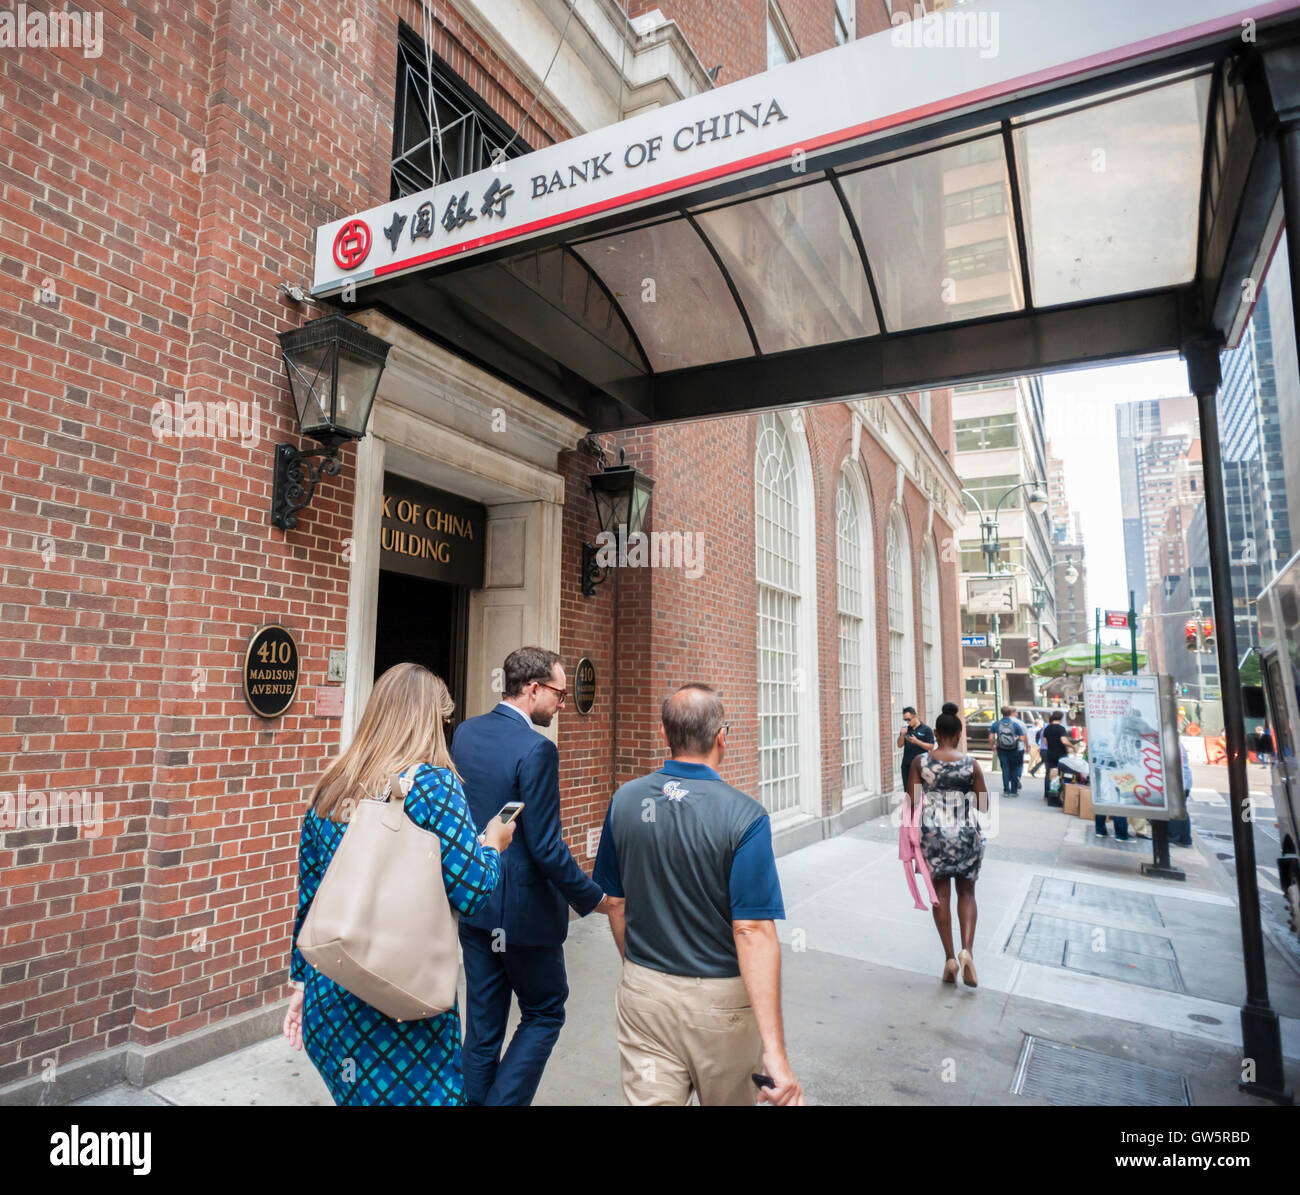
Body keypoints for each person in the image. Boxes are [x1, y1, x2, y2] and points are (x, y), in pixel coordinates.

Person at [283, 663, 516, 1106]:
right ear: (429, 720)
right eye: (443, 719)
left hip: (330, 994)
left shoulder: (332, 784)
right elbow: (473, 890)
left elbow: (309, 897)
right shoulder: (433, 786)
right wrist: (494, 845)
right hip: (399, 1007)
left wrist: (300, 986)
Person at [593, 683, 803, 1106]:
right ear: (721, 737)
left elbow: (613, 902)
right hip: (720, 1006)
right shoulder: (746, 817)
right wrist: (775, 1054)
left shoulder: (624, 802)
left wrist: (641, 971)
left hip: (644, 996)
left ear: (665, 734)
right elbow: (752, 931)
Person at [452, 646, 612, 1106]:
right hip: (523, 917)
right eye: (558, 693)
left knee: (483, 1029)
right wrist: (594, 898)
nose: (563, 703)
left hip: (476, 903)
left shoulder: (466, 732)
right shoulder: (538, 750)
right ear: (533, 688)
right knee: (545, 1012)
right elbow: (545, 847)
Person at [907, 708, 988, 988]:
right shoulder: (971, 764)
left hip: (933, 836)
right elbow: (984, 804)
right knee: (966, 892)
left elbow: (913, 800)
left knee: (940, 895)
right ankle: (968, 951)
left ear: (937, 734)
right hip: (965, 833)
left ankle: (950, 959)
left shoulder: (921, 762)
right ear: (959, 735)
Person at [896, 706, 936, 794]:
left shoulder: (926, 729)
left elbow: (931, 747)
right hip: (907, 766)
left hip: (920, 766)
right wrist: (902, 735)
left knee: (920, 792)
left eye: (908, 719)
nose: (907, 722)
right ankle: (911, 807)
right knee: (908, 792)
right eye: (905, 720)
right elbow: (899, 745)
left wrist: (917, 741)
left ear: (915, 716)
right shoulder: (906, 730)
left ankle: (920, 807)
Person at [992, 704, 1029, 797]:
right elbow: (1022, 737)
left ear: (1002, 713)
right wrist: (1017, 741)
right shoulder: (1015, 724)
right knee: (1014, 769)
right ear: (1011, 713)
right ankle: (1014, 791)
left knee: (1005, 769)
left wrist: (993, 745)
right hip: (1014, 749)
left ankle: (1006, 791)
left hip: (1001, 749)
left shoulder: (996, 724)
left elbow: (991, 736)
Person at [1040, 710, 1072, 805]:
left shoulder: (1047, 728)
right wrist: (1072, 746)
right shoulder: (1061, 728)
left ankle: (1049, 794)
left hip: (1050, 753)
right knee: (1062, 774)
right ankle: (1059, 794)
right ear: (1061, 718)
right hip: (1061, 754)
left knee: (1050, 773)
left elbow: (1045, 742)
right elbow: (1064, 741)